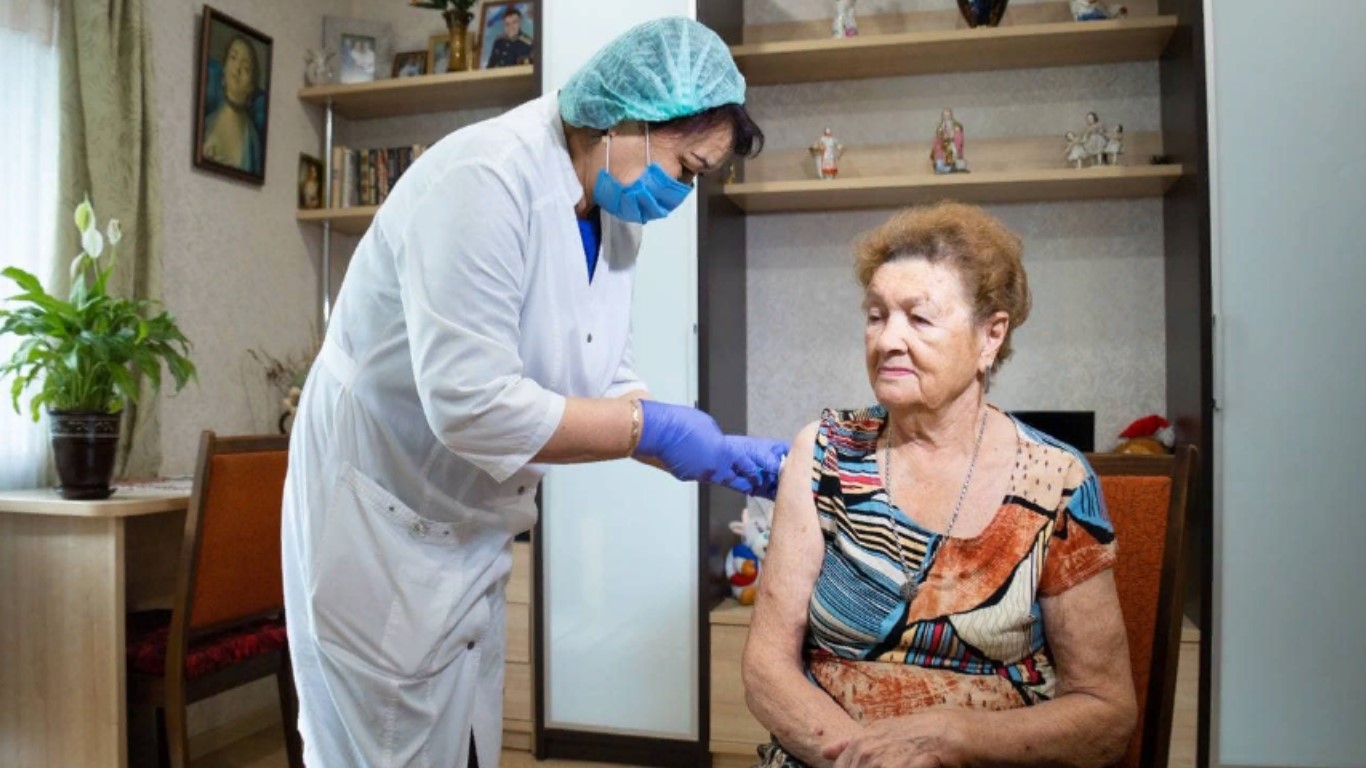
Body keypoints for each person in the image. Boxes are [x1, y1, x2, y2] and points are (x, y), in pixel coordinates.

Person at [282, 17, 787, 768]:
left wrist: (711, 453)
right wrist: (653, 430)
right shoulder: (483, 180)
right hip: (383, 511)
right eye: (686, 167)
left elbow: (604, 378)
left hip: (469, 525)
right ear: (629, 120)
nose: (682, 193)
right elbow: (472, 405)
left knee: (463, 740)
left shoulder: (612, 215)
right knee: (386, 744)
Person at [742, 203, 1138, 768]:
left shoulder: (1057, 481)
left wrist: (952, 737)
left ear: (990, 336)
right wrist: (864, 759)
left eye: (919, 319)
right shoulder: (824, 452)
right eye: (876, 316)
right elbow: (767, 668)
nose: (887, 340)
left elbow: (1106, 713)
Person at [201, 35, 263, 174]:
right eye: (233, 58)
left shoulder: (252, 141)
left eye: (246, 67)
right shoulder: (206, 123)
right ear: (224, 69)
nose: (237, 68)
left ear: (251, 86)